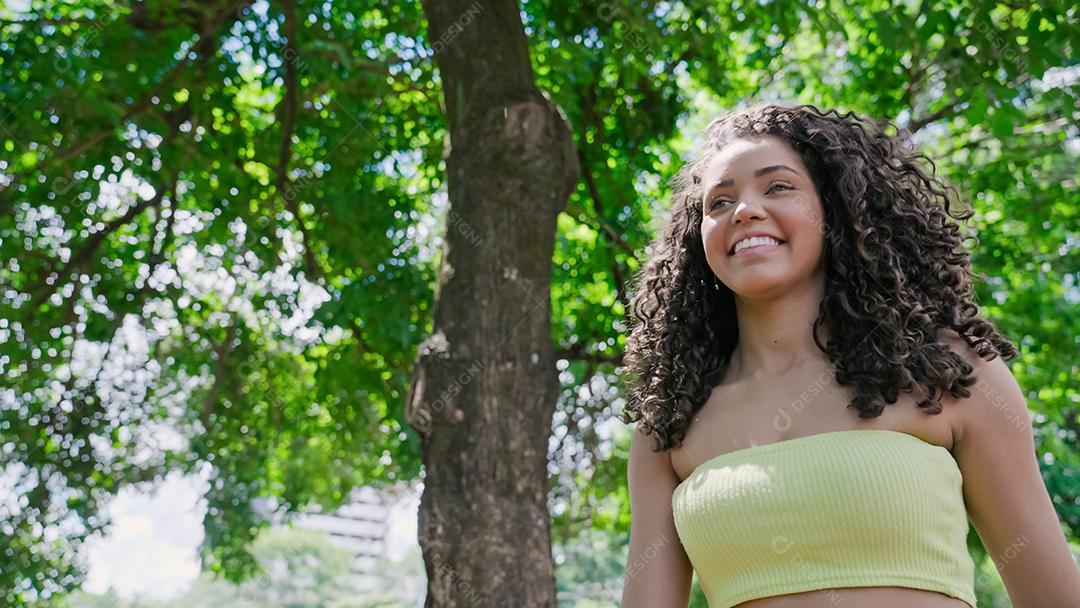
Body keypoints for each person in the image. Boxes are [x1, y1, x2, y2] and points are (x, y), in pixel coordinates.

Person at [618, 103, 1080, 607]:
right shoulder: (670, 423)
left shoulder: (946, 371)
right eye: (719, 202)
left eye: (778, 186)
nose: (744, 210)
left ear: (837, 209)